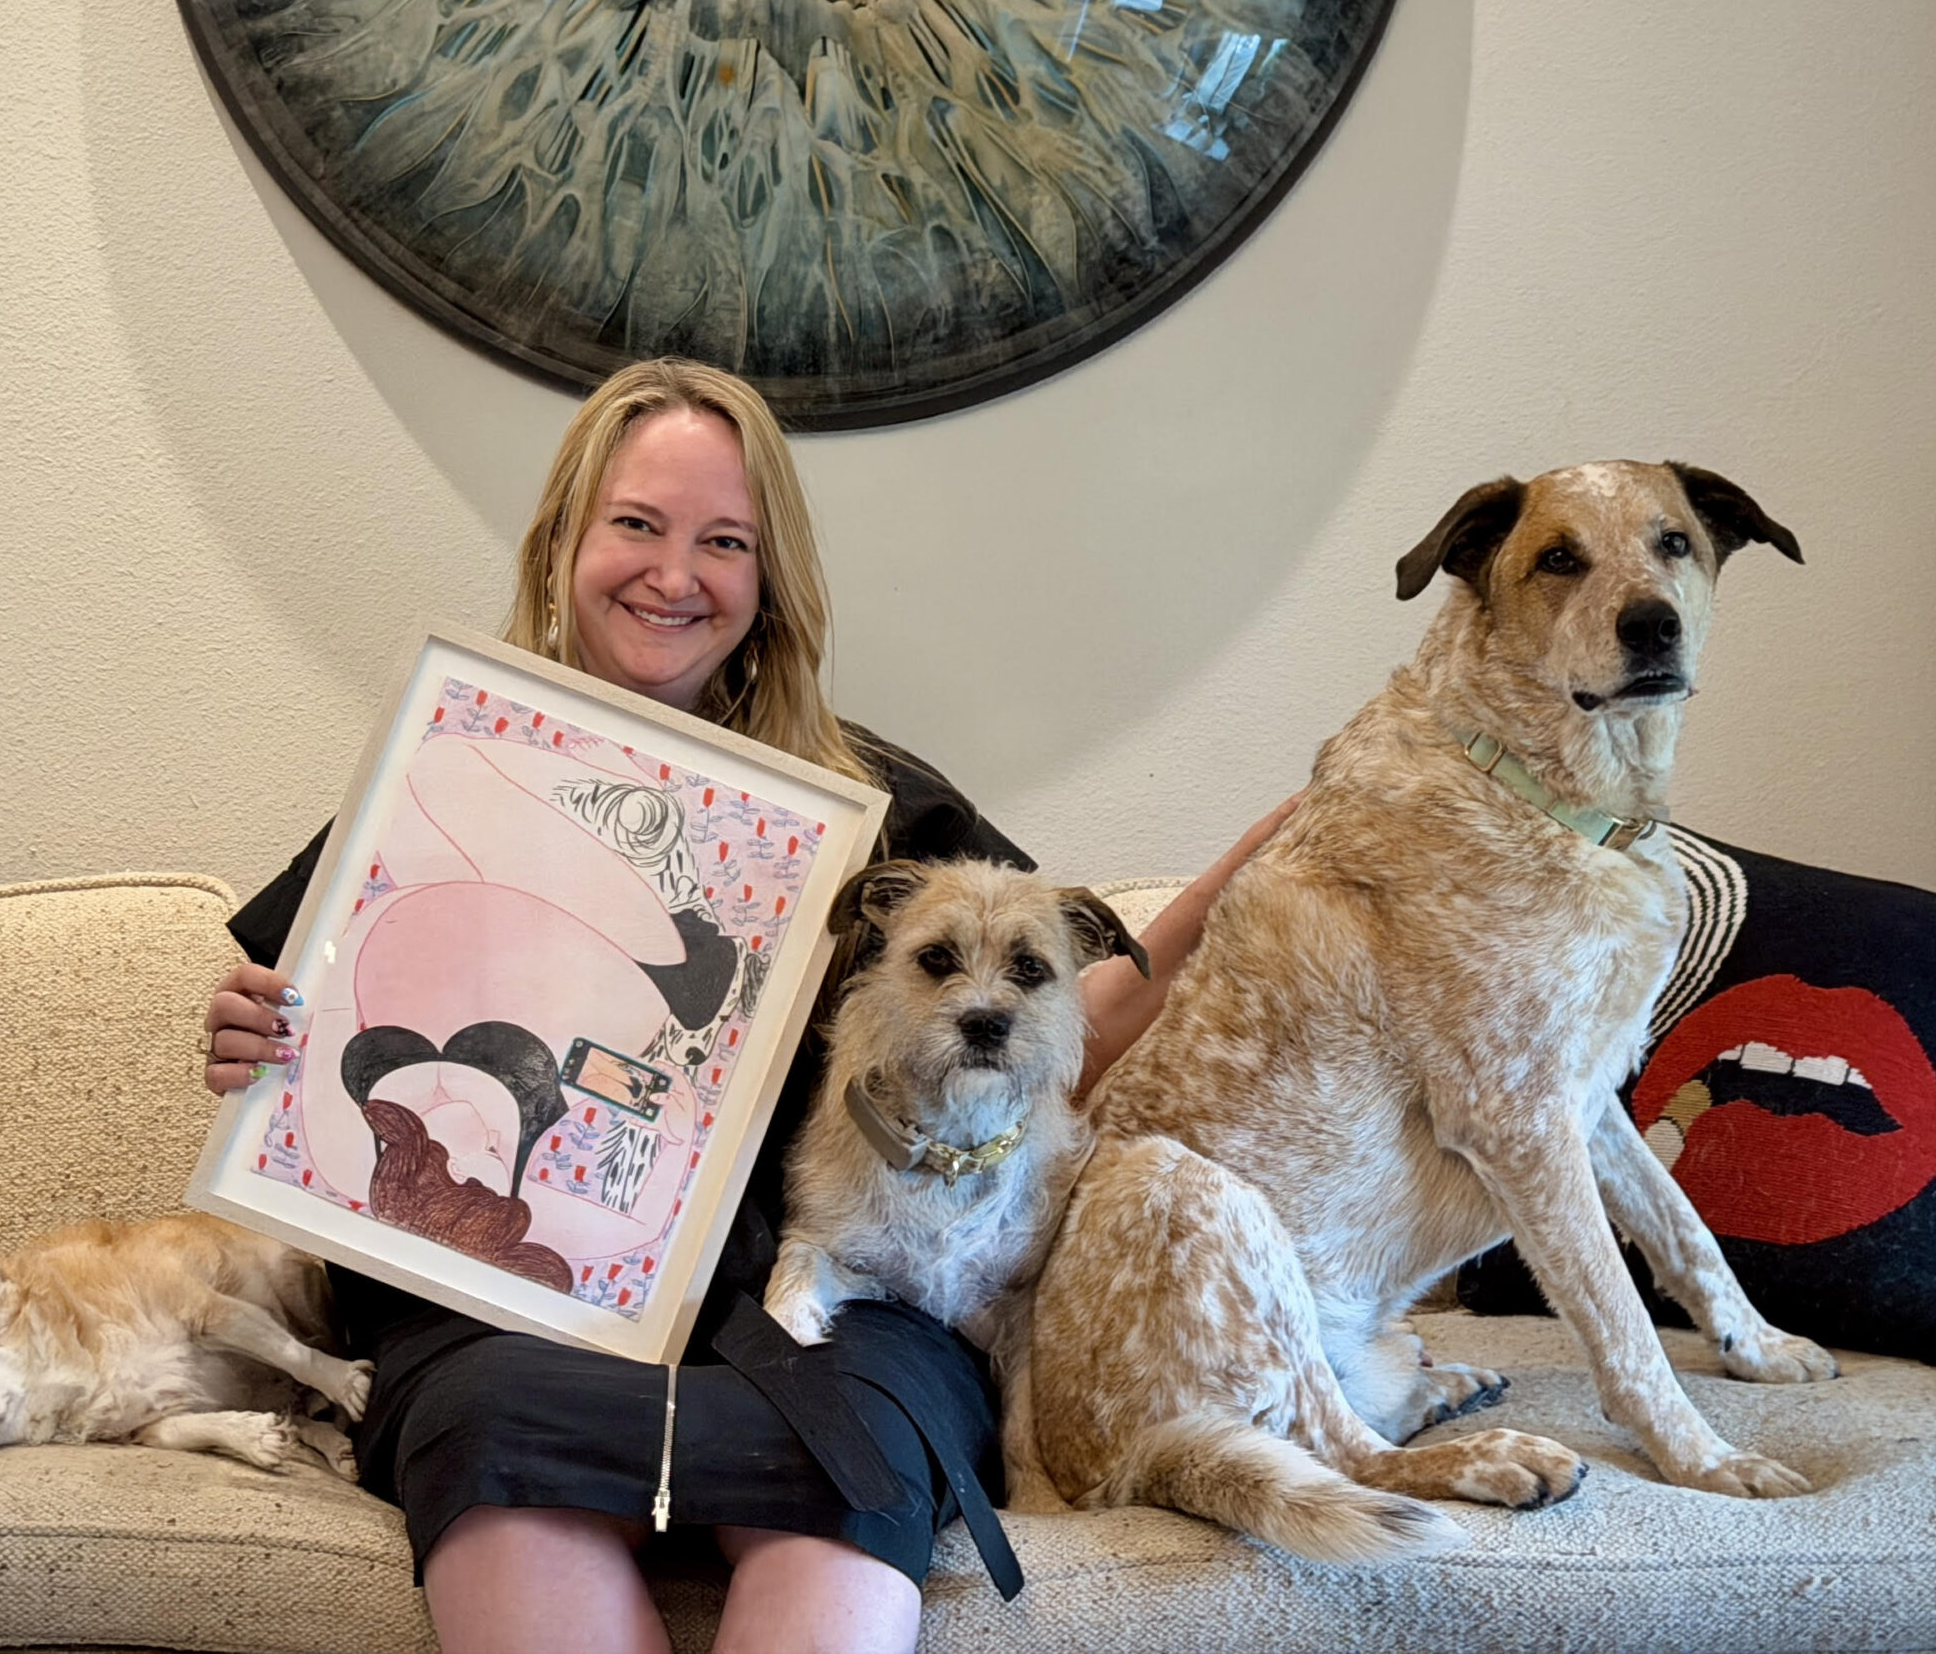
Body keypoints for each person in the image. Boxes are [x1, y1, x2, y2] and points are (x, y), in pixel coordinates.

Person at [201, 359, 1294, 1654]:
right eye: (638, 525)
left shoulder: (874, 806)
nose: (676, 572)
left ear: (768, 579)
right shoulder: (458, 762)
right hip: (510, 1315)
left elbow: (1068, 1021)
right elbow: (323, 1031)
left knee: (856, 1460)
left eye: (724, 540)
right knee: (495, 1440)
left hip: (841, 1315)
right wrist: (259, 1038)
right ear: (563, 542)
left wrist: (1254, 877)